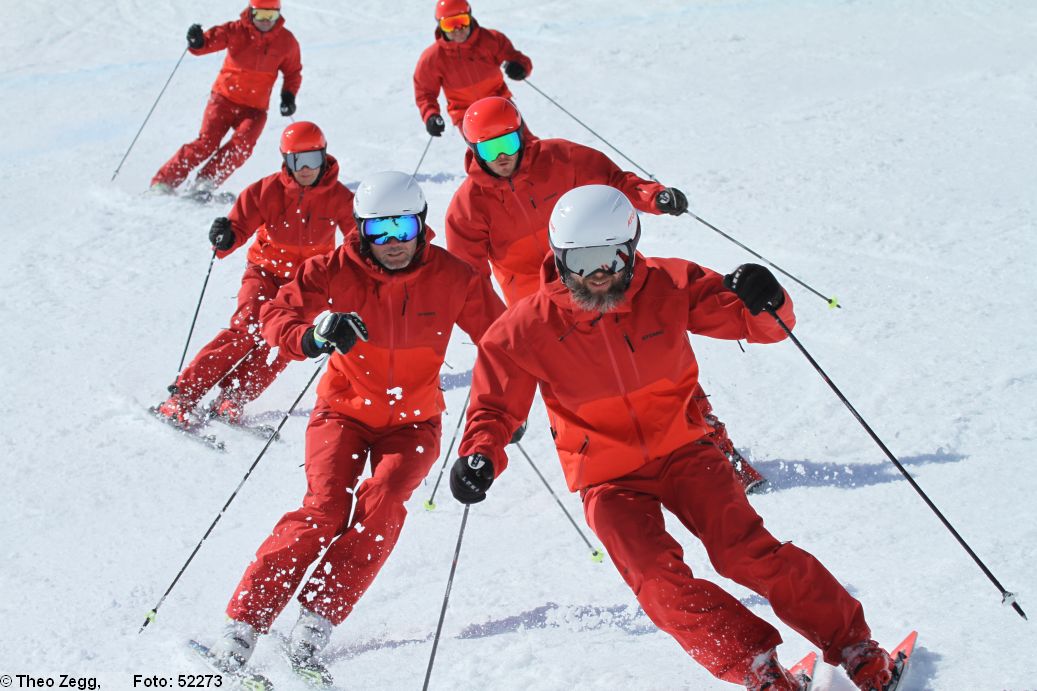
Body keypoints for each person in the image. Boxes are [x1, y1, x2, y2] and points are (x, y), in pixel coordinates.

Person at [448, 185, 899, 691]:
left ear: (631, 247)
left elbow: (760, 325)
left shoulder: (668, 285)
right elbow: (494, 408)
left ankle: (856, 647)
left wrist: (766, 300)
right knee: (657, 582)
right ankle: (758, 668)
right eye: (580, 261)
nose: (597, 274)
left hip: (687, 451)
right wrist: (479, 455)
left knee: (744, 552)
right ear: (558, 257)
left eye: (610, 258)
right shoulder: (525, 328)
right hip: (607, 479)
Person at [204, 172, 506, 684]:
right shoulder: (331, 269)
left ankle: (316, 619)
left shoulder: (454, 276)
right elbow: (276, 315)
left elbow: (503, 343)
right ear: (361, 230)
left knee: (384, 505)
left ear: (422, 224)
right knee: (324, 510)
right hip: (342, 412)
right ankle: (244, 625)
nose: (393, 242)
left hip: (414, 423)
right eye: (379, 230)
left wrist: (503, 413)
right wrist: (312, 335)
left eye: (403, 228)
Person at [445, 96, 766, 491]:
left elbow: (615, 184)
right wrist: (501, 343)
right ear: (473, 150)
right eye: (489, 149)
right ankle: (611, 482)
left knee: (663, 372)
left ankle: (717, 450)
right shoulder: (468, 208)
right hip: (549, 318)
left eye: (508, 142)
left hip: (610, 283)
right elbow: (469, 285)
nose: (501, 156)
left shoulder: (562, 159)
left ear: (522, 134)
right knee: (578, 404)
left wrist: (653, 197)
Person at [156, 122, 354, 427]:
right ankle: (184, 395)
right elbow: (239, 224)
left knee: (284, 345)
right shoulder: (268, 190)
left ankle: (234, 397)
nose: (305, 169)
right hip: (265, 273)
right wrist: (226, 237)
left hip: (306, 285)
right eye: (297, 161)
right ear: (286, 161)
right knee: (247, 329)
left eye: (312, 160)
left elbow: (356, 239)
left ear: (324, 157)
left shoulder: (340, 198)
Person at [150, 0, 302, 198]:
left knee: (243, 145)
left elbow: (293, 72)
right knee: (207, 143)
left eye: (270, 16)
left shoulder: (286, 41)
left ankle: (206, 181)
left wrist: (288, 96)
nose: (266, 21)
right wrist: (198, 42)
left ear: (278, 15)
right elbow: (209, 43)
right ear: (251, 13)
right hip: (224, 99)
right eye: (261, 15)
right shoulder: (236, 30)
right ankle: (164, 181)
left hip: (254, 109)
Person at [413, 0, 533, 137]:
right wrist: (430, 115)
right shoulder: (432, 58)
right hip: (468, 117)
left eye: (462, 21)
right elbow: (425, 92)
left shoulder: (490, 39)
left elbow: (517, 58)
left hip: (500, 107)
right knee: (487, 150)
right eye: (449, 24)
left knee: (526, 144)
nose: (457, 29)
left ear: (470, 18)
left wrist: (520, 68)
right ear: (440, 26)